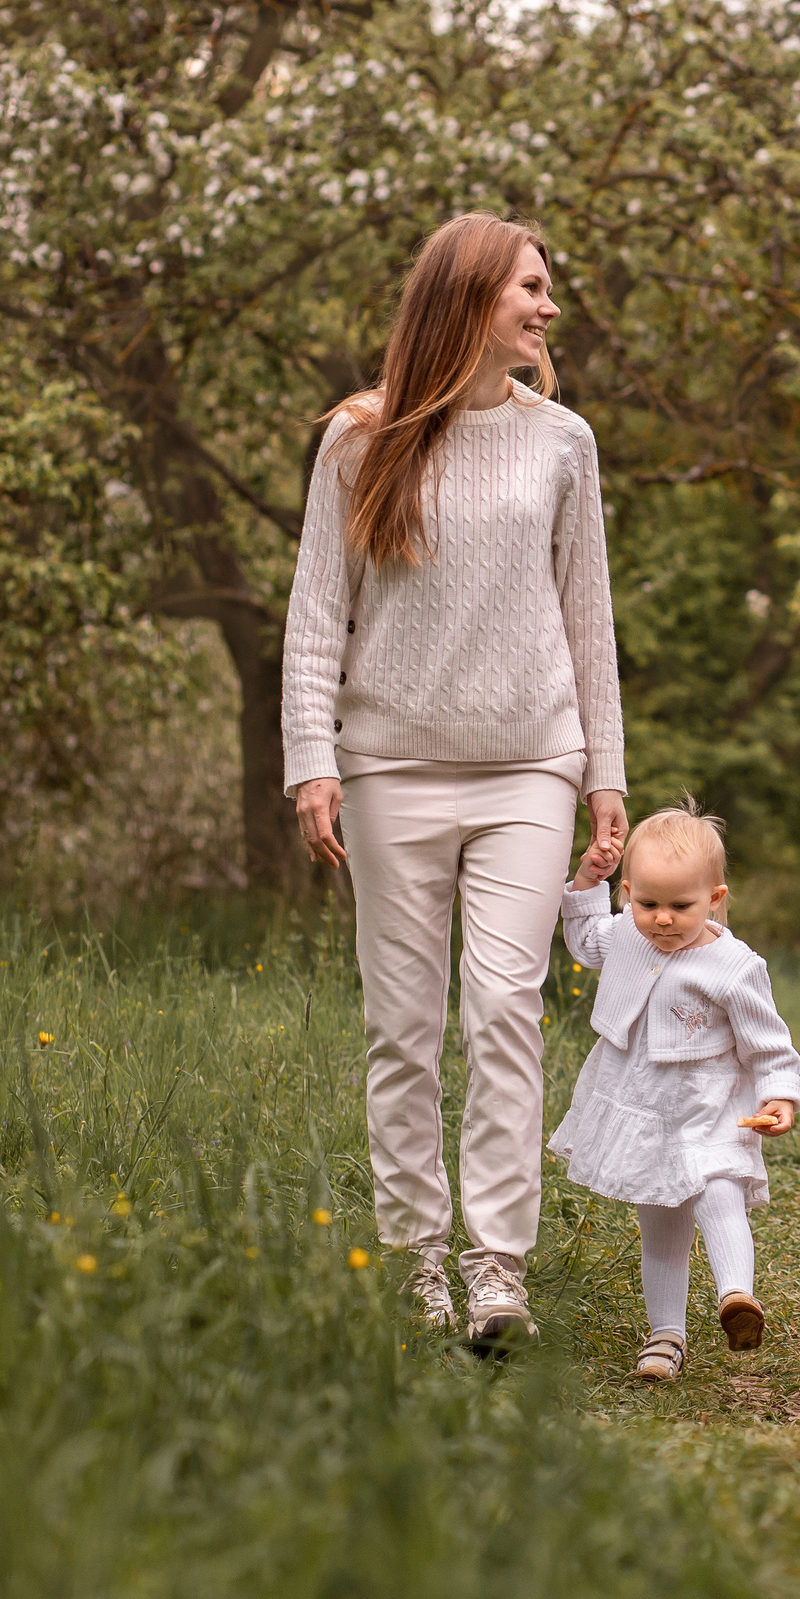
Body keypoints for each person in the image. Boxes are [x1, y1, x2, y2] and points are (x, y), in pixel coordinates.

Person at [280, 213, 628, 1354]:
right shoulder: (357, 440)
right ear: (469, 297)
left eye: (547, 292)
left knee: (502, 1010)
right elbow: (315, 617)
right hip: (388, 768)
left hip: (530, 764)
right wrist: (311, 761)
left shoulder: (562, 441)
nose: (548, 308)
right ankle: (418, 1261)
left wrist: (604, 776)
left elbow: (589, 618)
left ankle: (496, 1271)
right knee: (401, 1028)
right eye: (530, 288)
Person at [550, 801, 800, 1383]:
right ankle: (665, 1337)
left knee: (719, 1192)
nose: (662, 919)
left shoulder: (733, 965)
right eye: (648, 904)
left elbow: (768, 1041)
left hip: (708, 1101)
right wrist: (590, 879)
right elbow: (585, 938)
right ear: (629, 893)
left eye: (680, 906)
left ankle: (738, 1296)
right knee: (660, 1222)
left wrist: (780, 1094)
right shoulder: (623, 935)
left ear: (715, 898)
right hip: (641, 1102)